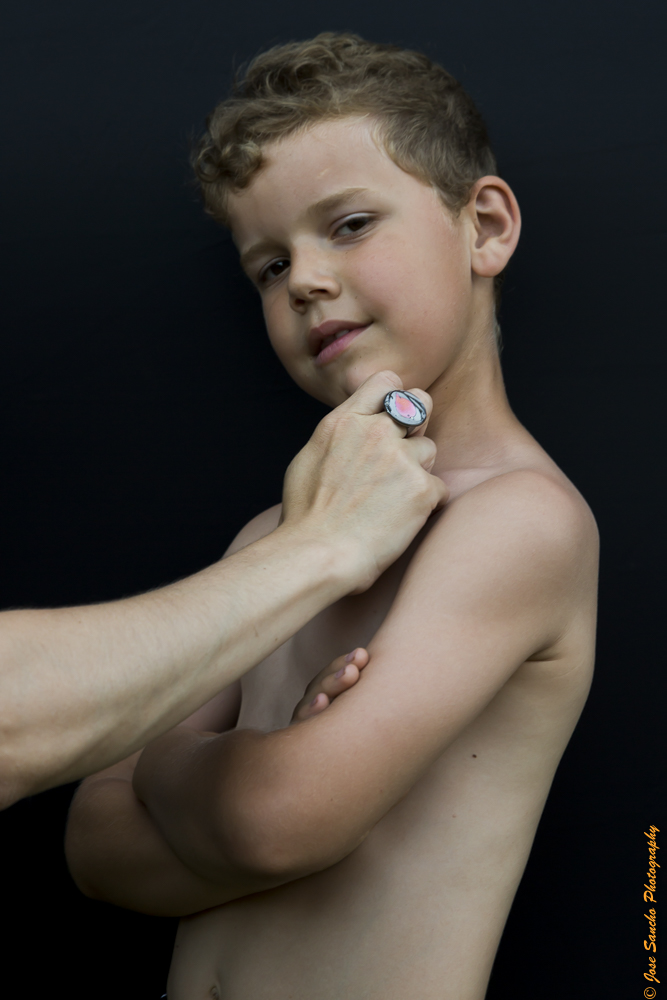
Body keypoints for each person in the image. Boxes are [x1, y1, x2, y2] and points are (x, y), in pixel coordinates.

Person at [65, 33, 599, 999]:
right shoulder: (274, 539)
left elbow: (276, 825)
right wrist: (252, 789)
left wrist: (174, 762)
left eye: (349, 225)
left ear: (483, 227)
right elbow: (93, 846)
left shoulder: (518, 522)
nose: (304, 280)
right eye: (269, 267)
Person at [0, 369, 445, 809]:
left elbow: (270, 823)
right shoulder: (269, 534)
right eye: (266, 290)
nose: (301, 296)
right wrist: (322, 542)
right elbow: (90, 828)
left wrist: (162, 759)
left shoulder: (484, 519)